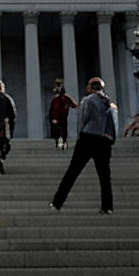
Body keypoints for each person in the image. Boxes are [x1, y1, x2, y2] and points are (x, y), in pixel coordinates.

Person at [50, 77, 118, 213]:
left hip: (88, 138)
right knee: (104, 176)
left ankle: (57, 202)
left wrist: (80, 135)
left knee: (73, 171)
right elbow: (112, 123)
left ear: (91, 87)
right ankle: (107, 206)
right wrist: (111, 139)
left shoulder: (88, 100)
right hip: (104, 140)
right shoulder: (108, 102)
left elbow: (83, 119)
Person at [48, 82, 78, 150]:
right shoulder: (56, 99)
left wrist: (68, 106)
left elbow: (74, 105)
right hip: (58, 118)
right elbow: (53, 109)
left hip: (62, 117)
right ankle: (60, 142)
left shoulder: (65, 98)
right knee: (57, 131)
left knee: (63, 131)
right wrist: (53, 118)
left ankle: (63, 142)